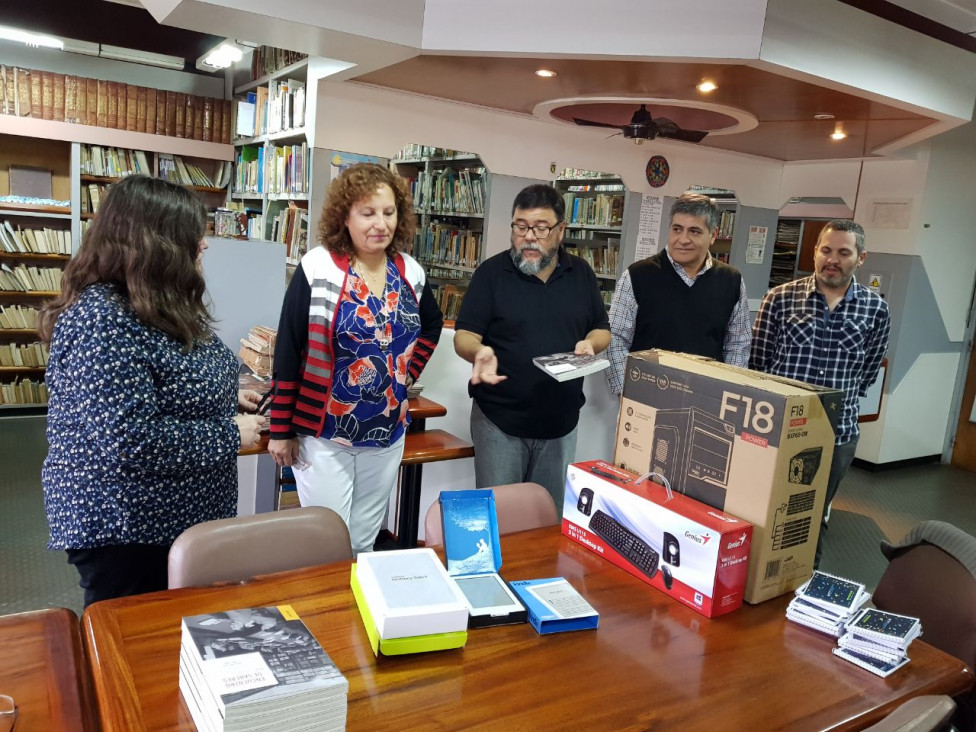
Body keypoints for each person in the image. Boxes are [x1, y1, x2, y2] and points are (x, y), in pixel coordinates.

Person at [39, 175, 266, 607]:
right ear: (158, 243)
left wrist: (223, 395)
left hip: (176, 522)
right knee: (135, 646)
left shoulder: (159, 300)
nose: (205, 245)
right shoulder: (101, 319)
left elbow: (176, 376)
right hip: (128, 527)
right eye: (194, 236)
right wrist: (231, 434)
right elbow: (133, 437)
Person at [267, 163, 443, 555]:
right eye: (368, 213)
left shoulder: (410, 272)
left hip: (386, 433)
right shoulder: (318, 267)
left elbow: (429, 327)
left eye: (388, 212)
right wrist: (281, 430)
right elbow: (290, 349)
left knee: (363, 541)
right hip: (325, 433)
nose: (380, 224)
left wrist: (407, 374)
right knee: (325, 540)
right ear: (344, 217)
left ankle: (353, 614)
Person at [454, 184, 610, 511]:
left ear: (561, 230)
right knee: (498, 518)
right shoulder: (491, 274)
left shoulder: (580, 273)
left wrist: (589, 344)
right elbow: (464, 335)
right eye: (520, 226)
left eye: (540, 228)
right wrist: (479, 352)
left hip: (560, 423)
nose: (529, 237)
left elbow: (602, 329)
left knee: (545, 521)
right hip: (500, 422)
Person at [750, 219, 890, 568]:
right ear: (815, 252)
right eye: (826, 250)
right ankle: (757, 581)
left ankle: (801, 584)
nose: (833, 259)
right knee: (767, 510)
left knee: (813, 518)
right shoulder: (780, 298)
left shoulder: (876, 309)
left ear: (860, 258)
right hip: (780, 430)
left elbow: (868, 373)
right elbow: (758, 366)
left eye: (844, 253)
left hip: (838, 434)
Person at [605, 192, 751, 394]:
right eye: (677, 229)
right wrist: (627, 390)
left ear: (713, 236)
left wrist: (728, 393)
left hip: (706, 399)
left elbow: (738, 345)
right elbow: (615, 338)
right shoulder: (637, 276)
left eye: (694, 231)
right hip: (645, 397)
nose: (683, 239)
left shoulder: (731, 281)